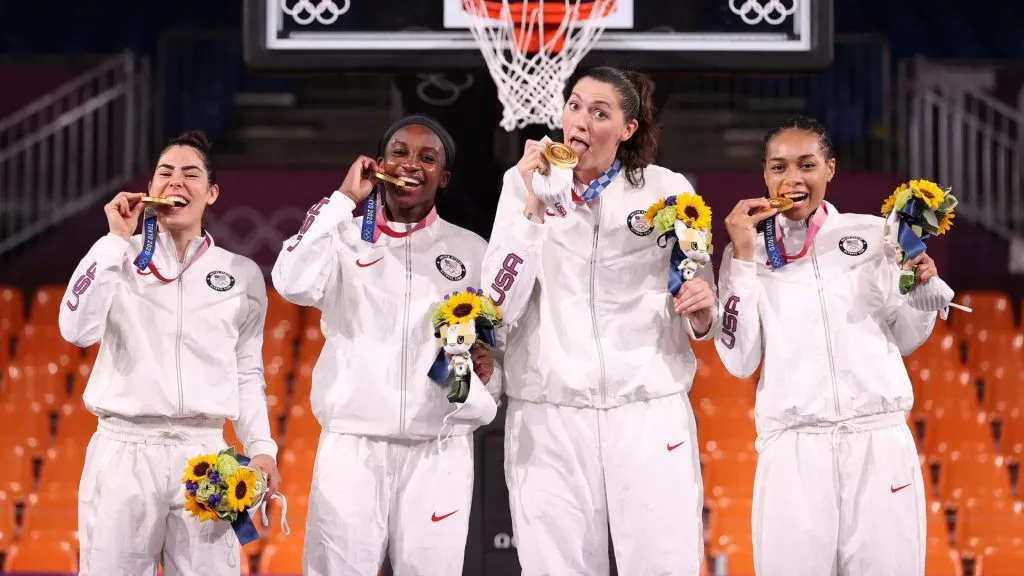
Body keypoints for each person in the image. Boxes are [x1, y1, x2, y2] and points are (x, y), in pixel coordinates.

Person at [481, 66, 719, 575]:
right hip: (550, 412)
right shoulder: (523, 183)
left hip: (647, 410)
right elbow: (500, 304)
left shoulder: (665, 188)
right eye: (573, 105)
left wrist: (703, 311)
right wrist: (532, 209)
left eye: (599, 112)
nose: (580, 121)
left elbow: (700, 295)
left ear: (627, 129)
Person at [271, 114, 501, 576]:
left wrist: (489, 369)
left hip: (439, 451)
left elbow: (498, 348)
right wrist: (341, 202)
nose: (411, 164)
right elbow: (289, 281)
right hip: (352, 447)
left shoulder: (473, 250)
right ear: (377, 164)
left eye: (427, 157)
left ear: (444, 177)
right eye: (399, 152)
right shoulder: (340, 237)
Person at [714, 114, 942, 575]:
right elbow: (739, 361)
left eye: (807, 164)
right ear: (764, 174)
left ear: (830, 169)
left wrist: (921, 292)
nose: (792, 179)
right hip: (793, 449)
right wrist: (740, 257)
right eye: (778, 167)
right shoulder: (746, 252)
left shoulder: (874, 234)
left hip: (877, 442)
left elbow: (907, 336)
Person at [58, 130, 282, 575]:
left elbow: (246, 373)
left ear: (212, 192)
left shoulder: (240, 275)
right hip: (124, 450)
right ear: (150, 188)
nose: (176, 181)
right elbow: (75, 330)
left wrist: (261, 447)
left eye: (191, 174)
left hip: (205, 455)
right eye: (165, 172)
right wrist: (114, 241)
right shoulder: (115, 257)